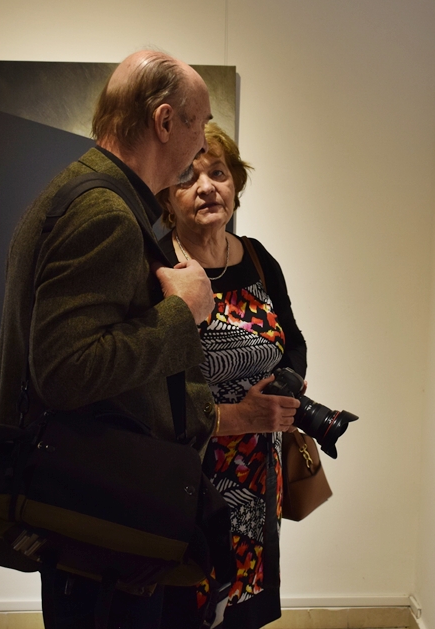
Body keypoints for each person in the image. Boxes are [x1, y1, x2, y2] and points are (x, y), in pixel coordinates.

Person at [0, 50, 219, 629]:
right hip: (101, 505)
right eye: (199, 124)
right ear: (165, 122)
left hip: (89, 498)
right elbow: (67, 371)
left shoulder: (81, 193)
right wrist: (183, 312)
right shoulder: (105, 212)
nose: (202, 141)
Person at [156, 123, 305, 629]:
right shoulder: (158, 271)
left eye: (217, 172)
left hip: (259, 473)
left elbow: (294, 343)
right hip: (188, 475)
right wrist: (238, 414)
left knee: (244, 603)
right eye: (187, 177)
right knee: (186, 606)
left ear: (235, 184)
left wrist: (288, 388)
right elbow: (151, 390)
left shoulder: (259, 260)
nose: (206, 187)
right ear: (167, 199)